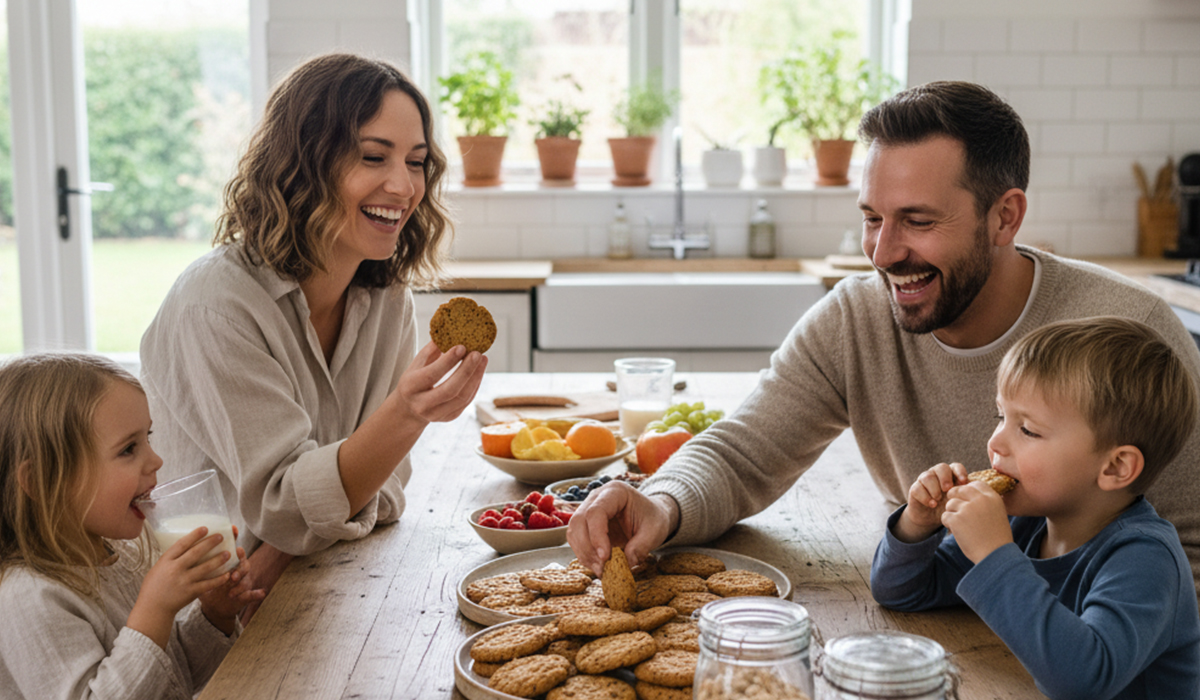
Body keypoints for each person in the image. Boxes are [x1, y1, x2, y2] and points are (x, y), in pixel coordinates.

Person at [566, 80, 1200, 595]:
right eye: (872, 218)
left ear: (1004, 216)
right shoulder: (856, 319)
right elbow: (743, 453)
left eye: (918, 221)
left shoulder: (1134, 335)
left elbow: (1192, 547)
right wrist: (662, 503)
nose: (884, 252)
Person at [139, 53, 487, 601]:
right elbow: (286, 505)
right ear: (304, 163)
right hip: (208, 617)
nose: (403, 186)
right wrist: (403, 417)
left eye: (417, 162)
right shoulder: (216, 307)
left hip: (315, 582)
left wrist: (291, 540)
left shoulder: (386, 297)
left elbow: (387, 487)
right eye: (374, 157)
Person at [871, 317, 1200, 699]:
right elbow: (901, 592)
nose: (995, 442)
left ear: (1115, 467)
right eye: (1001, 417)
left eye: (1027, 430)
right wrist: (917, 524)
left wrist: (995, 555)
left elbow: (1081, 680)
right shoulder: (1023, 525)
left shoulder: (1146, 560)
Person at [0, 353, 264, 699]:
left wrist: (215, 615)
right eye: (128, 449)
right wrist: (155, 609)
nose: (156, 460)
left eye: (148, 438)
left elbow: (171, 678)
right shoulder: (29, 598)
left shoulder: (119, 556)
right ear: (41, 480)